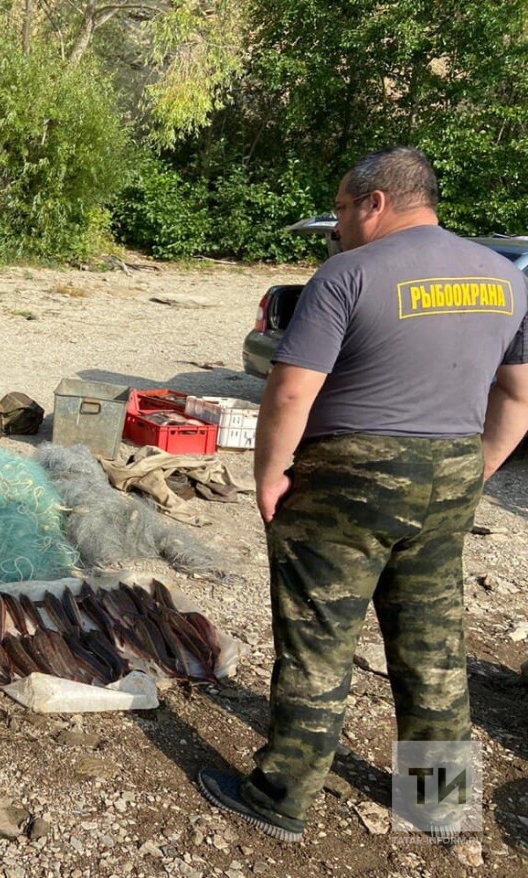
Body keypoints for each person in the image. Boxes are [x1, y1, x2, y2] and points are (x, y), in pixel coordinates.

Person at [197, 146, 528, 841]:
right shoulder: (506, 279)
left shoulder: (347, 274)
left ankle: (280, 797)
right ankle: (436, 804)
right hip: (450, 477)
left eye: (343, 210)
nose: (339, 225)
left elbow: (291, 388)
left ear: (375, 202)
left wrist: (271, 473)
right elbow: (520, 395)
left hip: (346, 480)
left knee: (319, 640)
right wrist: (479, 466)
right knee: (433, 645)